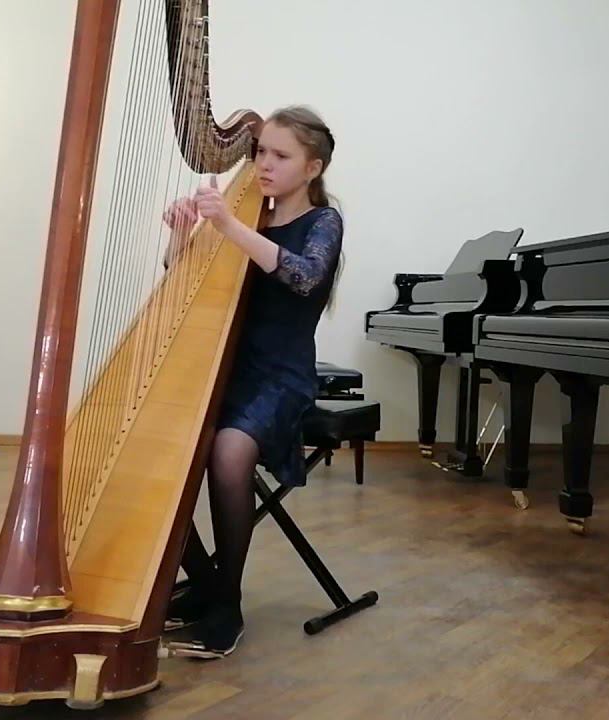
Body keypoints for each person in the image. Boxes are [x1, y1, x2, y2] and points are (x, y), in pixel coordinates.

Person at [160, 105, 343, 659]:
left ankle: (228, 603)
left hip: (282, 378)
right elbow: (180, 280)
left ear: (312, 168)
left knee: (230, 449)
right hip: (226, 371)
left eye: (280, 155)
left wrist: (228, 226)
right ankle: (206, 584)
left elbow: (304, 276)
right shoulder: (245, 214)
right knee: (158, 448)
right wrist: (182, 235)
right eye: (260, 151)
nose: (264, 163)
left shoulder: (323, 222)